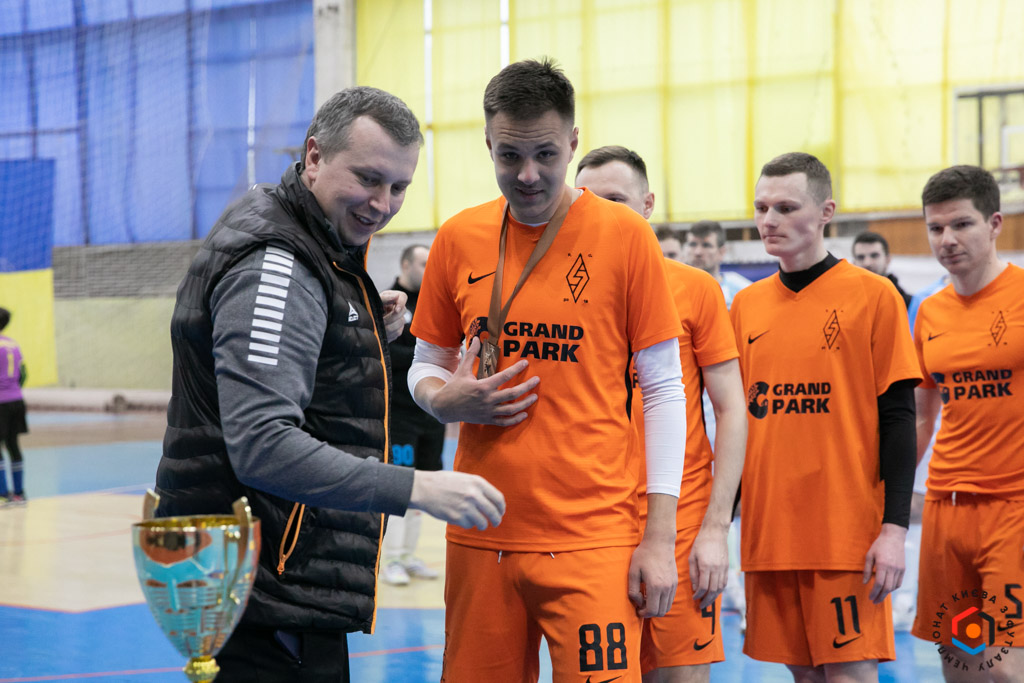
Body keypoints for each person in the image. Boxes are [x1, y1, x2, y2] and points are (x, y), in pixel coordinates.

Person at [154, 87, 505, 682]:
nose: (382, 204)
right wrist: (416, 487)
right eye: (368, 179)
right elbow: (263, 443)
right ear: (314, 156)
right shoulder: (277, 262)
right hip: (263, 588)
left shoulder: (313, 241)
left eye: (398, 187)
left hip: (280, 579)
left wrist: (359, 326)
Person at [409, 59, 687, 682]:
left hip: (593, 535)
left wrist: (659, 537)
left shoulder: (626, 236)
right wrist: (441, 400)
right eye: (510, 155)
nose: (528, 174)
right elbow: (426, 363)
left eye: (545, 154)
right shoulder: (457, 237)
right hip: (482, 529)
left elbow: (665, 391)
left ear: (573, 141)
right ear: (488, 144)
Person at [731, 152, 921, 682]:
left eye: (786, 207)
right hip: (770, 534)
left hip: (845, 535)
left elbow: (899, 420)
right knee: (805, 677)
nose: (769, 220)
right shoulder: (744, 306)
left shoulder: (875, 296)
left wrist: (894, 529)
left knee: (849, 675)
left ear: (826, 212)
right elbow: (736, 422)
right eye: (761, 208)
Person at [576, 146, 746, 683]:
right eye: (586, 199)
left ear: (648, 204)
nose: (600, 212)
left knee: (679, 676)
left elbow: (732, 409)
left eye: (616, 199)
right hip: (592, 522)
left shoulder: (695, 288)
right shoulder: (565, 291)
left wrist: (716, 528)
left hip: (680, 520)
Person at [909, 165, 1024, 683]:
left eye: (961, 224)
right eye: (935, 228)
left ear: (994, 223)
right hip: (946, 507)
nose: (947, 240)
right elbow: (922, 415)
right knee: (960, 662)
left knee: (1007, 667)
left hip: (1013, 506)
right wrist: (885, 495)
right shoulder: (929, 312)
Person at [382, 243, 445, 585]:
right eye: (423, 263)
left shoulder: (432, 303)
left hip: (431, 416)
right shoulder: (390, 305)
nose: (428, 268)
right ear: (406, 265)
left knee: (424, 486)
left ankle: (407, 555)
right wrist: (426, 357)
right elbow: (389, 354)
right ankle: (391, 558)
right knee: (399, 486)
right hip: (401, 417)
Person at [684, 220, 752, 307]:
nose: (698, 252)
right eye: (693, 244)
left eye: (706, 245)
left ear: (721, 252)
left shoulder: (742, 291)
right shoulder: (674, 290)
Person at [0, 308, 27, 506]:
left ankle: (3, 493)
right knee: (13, 445)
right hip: (17, 400)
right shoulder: (13, 344)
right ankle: (19, 493)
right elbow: (23, 374)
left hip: (1, 402)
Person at [851, 232, 913, 306]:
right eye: (861, 257)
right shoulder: (846, 302)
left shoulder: (909, 305)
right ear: (853, 263)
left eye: (874, 255)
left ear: (888, 259)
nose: (867, 263)